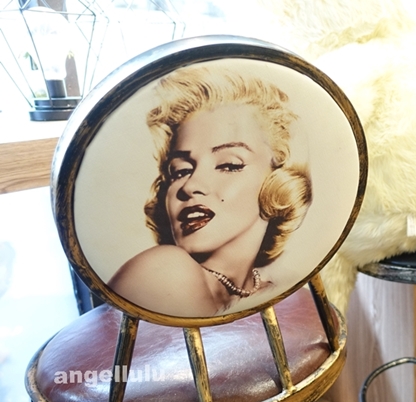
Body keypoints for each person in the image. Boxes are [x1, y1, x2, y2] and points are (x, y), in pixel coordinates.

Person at [108, 64, 312, 317]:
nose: (190, 186)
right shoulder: (164, 270)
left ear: (277, 180)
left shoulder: (275, 290)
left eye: (229, 165)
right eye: (180, 171)